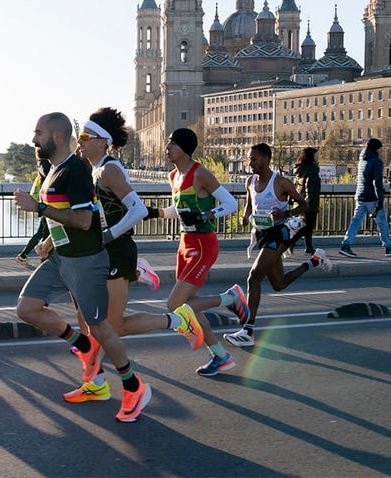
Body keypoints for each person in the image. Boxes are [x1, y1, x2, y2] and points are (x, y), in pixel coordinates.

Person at [13, 112, 152, 423]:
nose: (33, 138)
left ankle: (134, 387)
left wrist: (38, 207)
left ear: (57, 136)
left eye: (38, 132)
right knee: (27, 308)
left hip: (86, 261)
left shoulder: (75, 171)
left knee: (103, 327)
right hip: (61, 257)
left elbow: (83, 220)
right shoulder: (53, 170)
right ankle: (83, 345)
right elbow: (63, 218)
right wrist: (49, 240)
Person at [64, 108, 203, 402]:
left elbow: (137, 209)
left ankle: (177, 321)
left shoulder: (108, 170)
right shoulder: (93, 168)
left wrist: (108, 235)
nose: (80, 142)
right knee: (88, 321)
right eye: (80, 136)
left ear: (103, 142)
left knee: (114, 326)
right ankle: (95, 380)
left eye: (86, 137)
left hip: (116, 252)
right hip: (98, 253)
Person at [142, 128, 246, 377]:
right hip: (185, 243)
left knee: (174, 304)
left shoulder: (201, 173)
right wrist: (154, 212)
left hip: (203, 244)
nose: (167, 148)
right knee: (191, 308)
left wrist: (208, 214)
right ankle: (221, 357)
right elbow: (178, 209)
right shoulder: (173, 176)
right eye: (168, 144)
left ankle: (232, 298)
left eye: (172, 144)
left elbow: (231, 204)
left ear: (185, 148)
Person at [224, 143, 332, 347]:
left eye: (253, 159)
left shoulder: (281, 183)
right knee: (279, 284)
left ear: (266, 159)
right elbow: (249, 204)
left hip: (280, 233)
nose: (250, 163)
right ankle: (314, 261)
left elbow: (305, 205)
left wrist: (285, 214)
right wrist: (245, 216)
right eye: (249, 159)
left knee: (253, 278)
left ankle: (248, 330)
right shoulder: (250, 181)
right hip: (262, 233)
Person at [339, 138, 391, 258]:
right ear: (376, 148)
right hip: (372, 197)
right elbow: (377, 182)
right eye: (380, 148)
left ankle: (346, 245)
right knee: (382, 222)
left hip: (360, 195)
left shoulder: (362, 159)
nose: (381, 150)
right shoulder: (376, 162)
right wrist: (380, 199)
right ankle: (388, 247)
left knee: (355, 221)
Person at [16, 159, 51, 270]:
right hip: (47, 203)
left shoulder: (42, 163)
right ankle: (42, 260)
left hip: (46, 203)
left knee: (43, 232)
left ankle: (25, 256)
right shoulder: (46, 164)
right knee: (44, 232)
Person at [288, 147, 321, 254]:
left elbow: (295, 186)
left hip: (300, 201)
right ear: (312, 156)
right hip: (308, 202)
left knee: (307, 226)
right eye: (316, 155)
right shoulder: (312, 170)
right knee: (310, 225)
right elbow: (310, 189)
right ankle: (292, 242)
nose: (318, 157)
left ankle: (309, 247)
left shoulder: (301, 169)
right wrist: (309, 203)